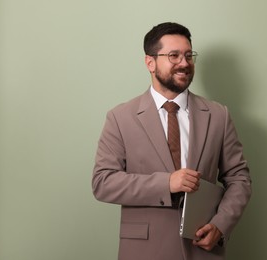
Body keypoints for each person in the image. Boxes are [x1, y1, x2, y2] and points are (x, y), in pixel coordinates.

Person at [92, 22, 252, 260]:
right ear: (150, 62)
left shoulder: (219, 115)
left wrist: (221, 225)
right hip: (144, 251)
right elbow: (103, 182)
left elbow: (239, 179)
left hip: (203, 250)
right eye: (174, 55)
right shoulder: (120, 118)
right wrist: (167, 183)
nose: (185, 63)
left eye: (189, 55)